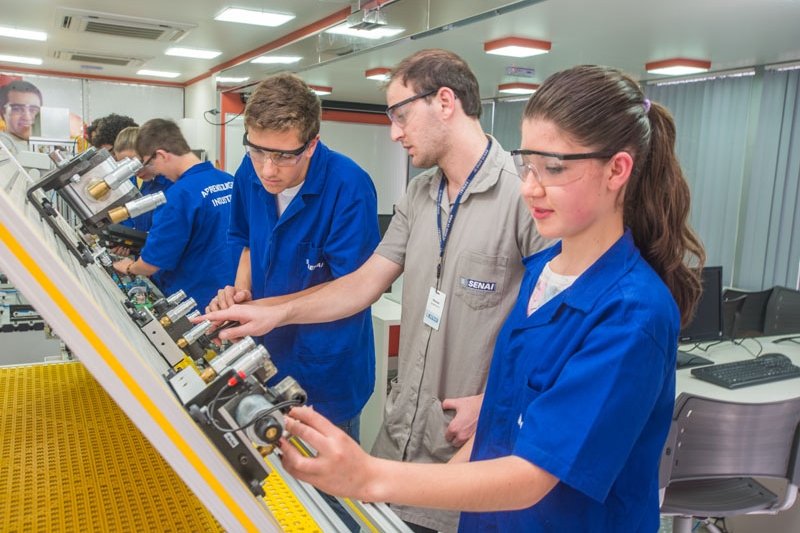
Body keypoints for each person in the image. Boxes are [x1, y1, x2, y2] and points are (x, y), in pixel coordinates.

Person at [204, 64, 706, 531]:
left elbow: (535, 472)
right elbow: (514, 399)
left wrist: (369, 477)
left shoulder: (631, 313)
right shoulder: (543, 275)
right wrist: (266, 311)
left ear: (617, 171)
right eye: (527, 165)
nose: (530, 188)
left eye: (551, 168)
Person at [201, 49, 548, 533]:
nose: (394, 132)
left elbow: (552, 330)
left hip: (470, 441)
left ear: (445, 101)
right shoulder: (419, 195)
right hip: (402, 433)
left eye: (400, 115)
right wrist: (267, 312)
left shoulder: (524, 200)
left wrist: (496, 400)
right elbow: (363, 284)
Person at [209, 72, 380, 532]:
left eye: (282, 155)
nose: (267, 169)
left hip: (326, 369)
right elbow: (242, 237)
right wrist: (241, 290)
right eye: (256, 149)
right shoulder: (249, 173)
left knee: (332, 497)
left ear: (311, 144)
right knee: (270, 484)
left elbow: (353, 286)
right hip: (264, 358)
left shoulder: (350, 187)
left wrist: (271, 309)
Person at [112, 118, 237, 311]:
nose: (154, 172)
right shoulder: (229, 181)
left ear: (161, 155)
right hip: (231, 295)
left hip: (195, 300)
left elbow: (151, 263)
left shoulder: (177, 197)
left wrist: (129, 267)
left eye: (147, 164)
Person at [114, 126, 172, 233]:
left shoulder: (173, 184)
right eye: (127, 167)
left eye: (137, 163)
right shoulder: (131, 181)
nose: (135, 172)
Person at [0, 80, 42, 155]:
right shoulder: (3, 144)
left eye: (33, 110)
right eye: (17, 109)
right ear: (2, 112)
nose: (27, 117)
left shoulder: (47, 146)